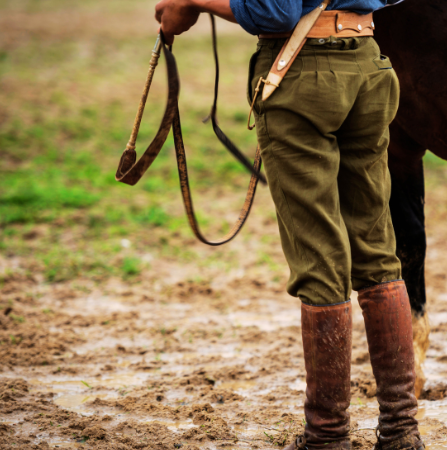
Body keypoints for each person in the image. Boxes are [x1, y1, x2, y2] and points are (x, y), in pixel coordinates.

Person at [154, 1, 423, 449]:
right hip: (368, 65)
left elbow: (275, 10)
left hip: (302, 76)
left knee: (320, 259)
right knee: (377, 252)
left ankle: (328, 436)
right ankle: (400, 429)